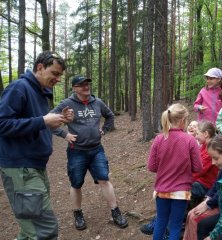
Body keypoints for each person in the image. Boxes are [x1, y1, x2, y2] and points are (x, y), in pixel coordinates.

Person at [0, 51, 71, 239]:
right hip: (21, 168)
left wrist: (58, 120)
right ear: (40, 67)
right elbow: (2, 124)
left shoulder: (40, 93)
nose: (57, 79)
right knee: (44, 230)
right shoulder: (19, 88)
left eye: (60, 76)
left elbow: (36, 123)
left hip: (35, 167)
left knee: (29, 229)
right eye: (55, 73)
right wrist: (43, 121)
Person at [51, 76, 128, 230]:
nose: (86, 87)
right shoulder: (67, 104)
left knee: (104, 180)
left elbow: (110, 116)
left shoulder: (97, 102)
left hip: (96, 150)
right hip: (76, 151)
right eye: (81, 85)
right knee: (76, 184)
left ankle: (115, 212)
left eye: (87, 84)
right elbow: (49, 120)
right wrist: (64, 135)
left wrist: (104, 129)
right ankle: (77, 213)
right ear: (74, 88)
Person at [147, 103, 202, 240]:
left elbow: (152, 167)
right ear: (183, 120)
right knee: (175, 225)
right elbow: (198, 167)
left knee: (161, 222)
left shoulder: (159, 139)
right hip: (181, 191)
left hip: (162, 190)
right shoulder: (190, 140)